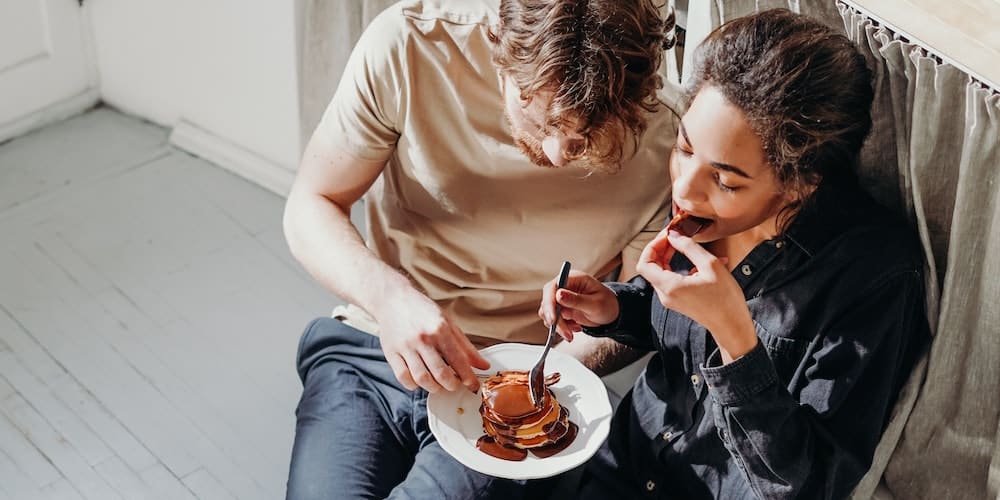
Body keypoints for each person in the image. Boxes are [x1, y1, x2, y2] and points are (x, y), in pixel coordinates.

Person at [282, 0, 680, 498]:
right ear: (500, 48)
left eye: (586, 137)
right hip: (373, 347)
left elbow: (637, 309)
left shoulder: (670, 136)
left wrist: (533, 385)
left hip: (531, 380)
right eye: (539, 121)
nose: (558, 155)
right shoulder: (408, 46)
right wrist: (390, 300)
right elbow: (311, 203)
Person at [538, 9, 931, 499]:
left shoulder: (873, 275)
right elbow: (673, 325)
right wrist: (614, 307)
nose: (684, 189)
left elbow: (809, 483)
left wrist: (735, 339)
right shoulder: (702, 213)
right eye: (683, 149)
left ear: (801, 182)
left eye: (724, 180)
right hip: (620, 463)